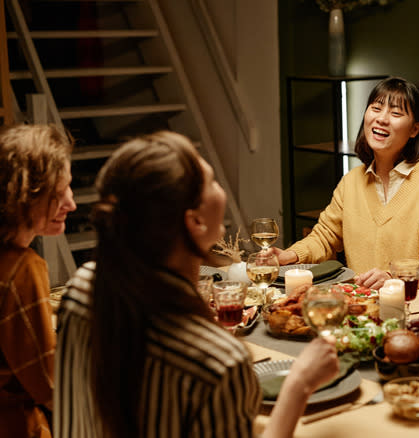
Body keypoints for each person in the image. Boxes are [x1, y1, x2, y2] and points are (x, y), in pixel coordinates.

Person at [54, 132, 340, 438]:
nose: (220, 189)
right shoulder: (218, 362)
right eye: (213, 180)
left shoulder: (83, 287)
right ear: (196, 222)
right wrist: (299, 383)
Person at [274, 77, 419, 290]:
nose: (382, 119)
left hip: (414, 310)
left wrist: (393, 278)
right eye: (376, 108)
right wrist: (289, 256)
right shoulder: (352, 181)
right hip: (362, 308)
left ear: (415, 129)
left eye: (396, 113)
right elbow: (324, 237)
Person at [0, 124, 76, 438]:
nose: (71, 204)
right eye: (58, 194)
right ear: (25, 196)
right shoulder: (21, 269)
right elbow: (52, 387)